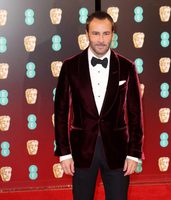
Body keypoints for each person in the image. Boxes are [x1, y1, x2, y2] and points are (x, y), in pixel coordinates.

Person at [54, 11, 144, 200]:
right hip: (81, 151)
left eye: (106, 33)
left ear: (113, 34)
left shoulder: (127, 67)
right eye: (96, 33)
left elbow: (135, 114)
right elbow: (61, 112)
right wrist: (64, 154)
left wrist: (134, 154)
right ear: (87, 33)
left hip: (118, 152)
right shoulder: (70, 66)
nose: (101, 40)